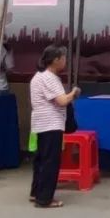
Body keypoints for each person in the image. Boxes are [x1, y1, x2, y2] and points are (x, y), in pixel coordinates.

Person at [29, 44, 80, 209]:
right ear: (56, 60)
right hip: (51, 123)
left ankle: (36, 192)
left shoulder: (38, 76)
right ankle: (45, 199)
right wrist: (73, 93)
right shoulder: (50, 78)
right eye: (63, 58)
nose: (65, 61)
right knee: (50, 162)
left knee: (41, 160)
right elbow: (62, 101)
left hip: (40, 123)